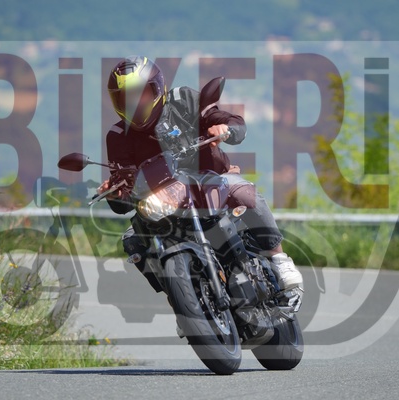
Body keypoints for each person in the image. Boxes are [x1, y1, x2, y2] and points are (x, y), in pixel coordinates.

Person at [98, 56, 302, 294]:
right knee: (133, 241)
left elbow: (223, 119)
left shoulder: (182, 99)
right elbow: (124, 194)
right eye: (126, 98)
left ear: (156, 88)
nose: (135, 103)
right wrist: (115, 192)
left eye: (140, 94)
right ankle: (182, 294)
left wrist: (225, 127)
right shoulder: (117, 136)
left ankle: (279, 259)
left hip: (210, 180)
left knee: (246, 194)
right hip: (164, 201)